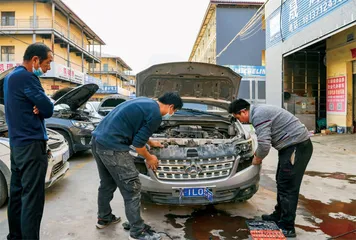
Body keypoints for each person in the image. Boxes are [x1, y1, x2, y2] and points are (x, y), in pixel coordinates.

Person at [91, 92, 183, 240]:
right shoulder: (156, 115)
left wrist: (151, 142)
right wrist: (149, 157)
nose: (172, 114)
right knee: (132, 188)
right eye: (175, 111)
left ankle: (104, 218)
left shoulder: (145, 102)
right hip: (114, 147)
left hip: (98, 141)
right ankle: (137, 231)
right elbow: (138, 144)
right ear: (171, 107)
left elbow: (137, 130)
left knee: (107, 184)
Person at [228, 99, 313, 238]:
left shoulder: (258, 115)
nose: (241, 121)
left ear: (244, 111)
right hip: (290, 146)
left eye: (239, 117)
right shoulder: (258, 111)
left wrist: (257, 158)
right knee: (281, 181)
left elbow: (264, 145)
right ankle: (279, 215)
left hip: (297, 147)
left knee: (288, 186)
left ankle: (287, 226)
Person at [4, 43, 54, 240]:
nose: (48, 67)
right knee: (32, 200)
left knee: (17, 196)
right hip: (32, 146)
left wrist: (39, 105)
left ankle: (14, 237)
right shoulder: (27, 77)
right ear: (35, 60)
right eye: (47, 63)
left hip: (17, 145)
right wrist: (42, 105)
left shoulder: (11, 77)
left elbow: (38, 106)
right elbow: (48, 109)